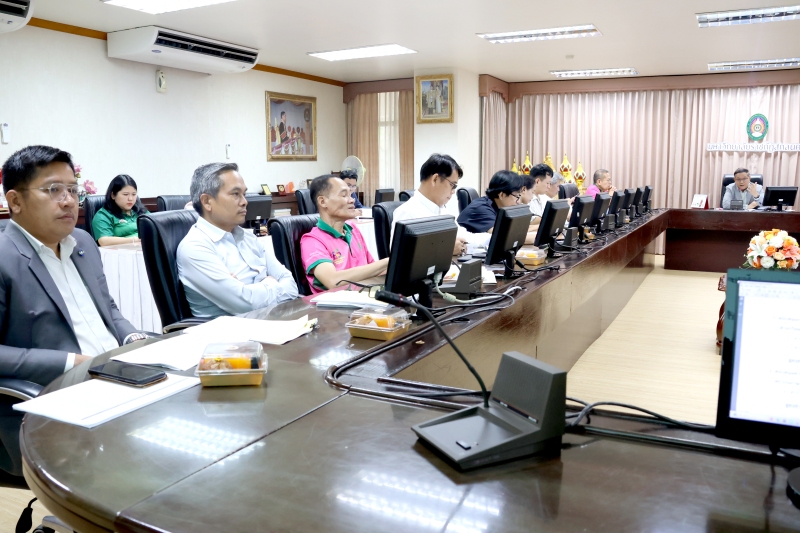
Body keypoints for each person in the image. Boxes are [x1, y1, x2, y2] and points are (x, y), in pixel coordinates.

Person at [0, 146, 146, 474]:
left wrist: (133, 338)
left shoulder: (82, 242)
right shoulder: (4, 257)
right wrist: (74, 363)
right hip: (52, 404)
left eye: (72, 190)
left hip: (118, 379)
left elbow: (108, 309)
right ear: (15, 201)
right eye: (54, 190)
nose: (68, 201)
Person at [177, 163, 298, 318]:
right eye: (235, 194)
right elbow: (247, 304)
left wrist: (250, 289)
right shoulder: (195, 247)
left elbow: (291, 285)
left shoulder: (249, 237)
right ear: (207, 201)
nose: (244, 202)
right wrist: (271, 283)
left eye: (244, 194)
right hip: (230, 331)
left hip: (273, 319)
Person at [301, 175, 388, 293]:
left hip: (365, 296)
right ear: (323, 201)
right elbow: (332, 280)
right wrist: (388, 262)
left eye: (350, 194)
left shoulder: (353, 230)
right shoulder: (313, 241)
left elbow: (373, 269)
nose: (352, 200)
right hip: (336, 303)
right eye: (344, 195)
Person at [391, 153, 489, 256]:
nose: (453, 191)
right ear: (435, 179)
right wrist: (445, 250)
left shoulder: (441, 209)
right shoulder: (407, 213)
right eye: (452, 185)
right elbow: (401, 258)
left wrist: (492, 239)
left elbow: (463, 236)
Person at [458, 170, 537, 245]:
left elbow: (515, 230)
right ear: (502, 195)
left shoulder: (500, 207)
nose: (519, 202)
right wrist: (537, 237)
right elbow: (503, 237)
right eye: (517, 196)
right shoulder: (480, 208)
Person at [92, 174, 149, 246]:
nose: (130, 199)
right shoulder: (103, 215)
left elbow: (155, 226)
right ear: (113, 195)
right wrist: (135, 240)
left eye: (134, 194)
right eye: (125, 194)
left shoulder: (140, 211)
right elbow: (104, 241)